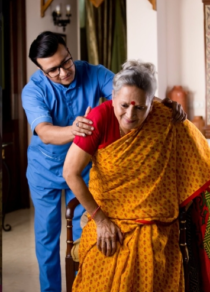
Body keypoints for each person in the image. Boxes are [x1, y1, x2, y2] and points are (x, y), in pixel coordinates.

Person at [21, 31, 186, 292]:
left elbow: (129, 89)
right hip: (46, 172)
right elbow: (44, 132)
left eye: (66, 62)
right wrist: (74, 130)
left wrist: (163, 104)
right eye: (53, 70)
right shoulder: (33, 91)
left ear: (69, 53)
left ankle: (82, 285)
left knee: (85, 235)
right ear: (42, 71)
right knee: (47, 239)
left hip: (85, 168)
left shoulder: (93, 72)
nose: (64, 72)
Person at [63, 60, 210, 292]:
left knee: (152, 261)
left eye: (140, 107)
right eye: (123, 105)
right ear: (112, 96)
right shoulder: (99, 119)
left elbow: (199, 156)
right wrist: (101, 222)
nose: (130, 115)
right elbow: (70, 172)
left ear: (153, 104)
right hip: (107, 218)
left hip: (154, 223)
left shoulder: (164, 117)